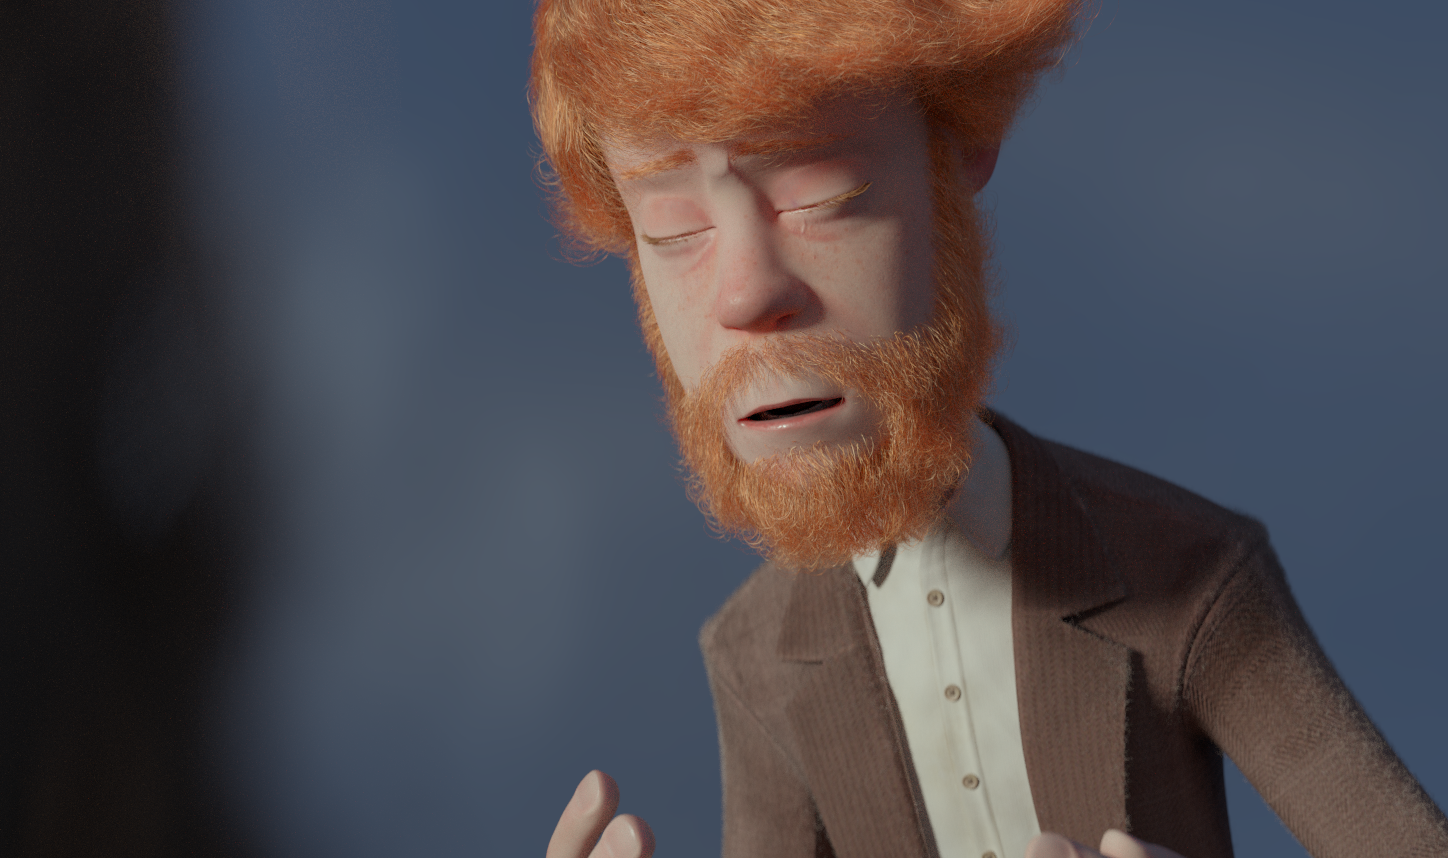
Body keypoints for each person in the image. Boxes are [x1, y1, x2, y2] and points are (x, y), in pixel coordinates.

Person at [525, 0, 1448, 856]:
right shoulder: (753, 650)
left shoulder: (1191, 575)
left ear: (956, 148)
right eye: (672, 229)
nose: (746, 294)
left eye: (819, 190)